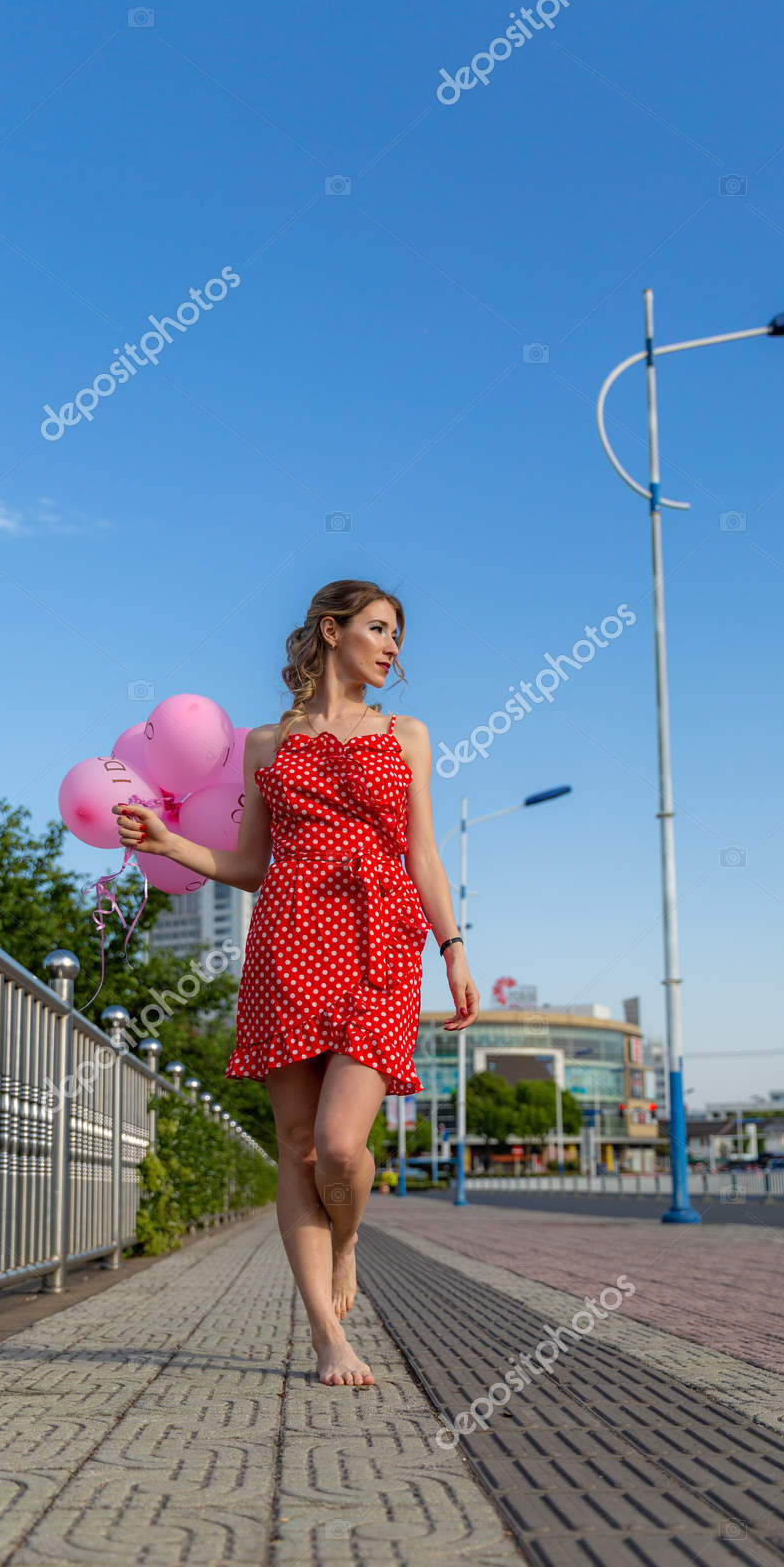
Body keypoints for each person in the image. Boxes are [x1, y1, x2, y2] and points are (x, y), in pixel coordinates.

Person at [113, 580, 479, 1388]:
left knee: (343, 1148)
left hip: (381, 944)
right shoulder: (264, 745)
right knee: (299, 1146)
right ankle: (326, 1337)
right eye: (379, 630)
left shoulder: (407, 734)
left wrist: (452, 946)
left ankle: (347, 1237)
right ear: (331, 629)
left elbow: (421, 849)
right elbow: (249, 866)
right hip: (287, 946)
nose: (391, 648)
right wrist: (170, 843)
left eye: (397, 637)